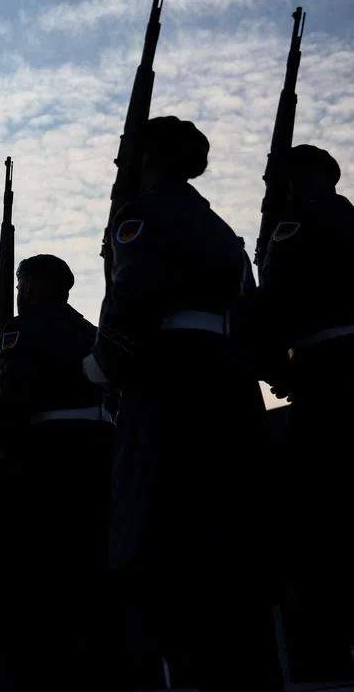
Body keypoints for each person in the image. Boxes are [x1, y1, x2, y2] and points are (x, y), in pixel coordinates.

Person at [86, 116, 281, 691]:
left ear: (148, 158)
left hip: (168, 376)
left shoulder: (144, 215)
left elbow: (131, 294)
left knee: (162, 528)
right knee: (230, 527)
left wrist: (105, 362)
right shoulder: (220, 229)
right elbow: (250, 313)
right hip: (229, 380)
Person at [0, 254, 116, 688]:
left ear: (36, 287)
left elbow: (15, 395)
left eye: (23, 285)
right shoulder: (91, 332)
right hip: (99, 454)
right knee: (88, 571)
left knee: (31, 575)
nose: (20, 293)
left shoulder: (22, 329)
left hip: (45, 458)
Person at [256, 143, 354, 682]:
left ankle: (328, 651)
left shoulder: (294, 227)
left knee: (319, 512)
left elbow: (273, 303)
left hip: (327, 371)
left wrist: (275, 368)